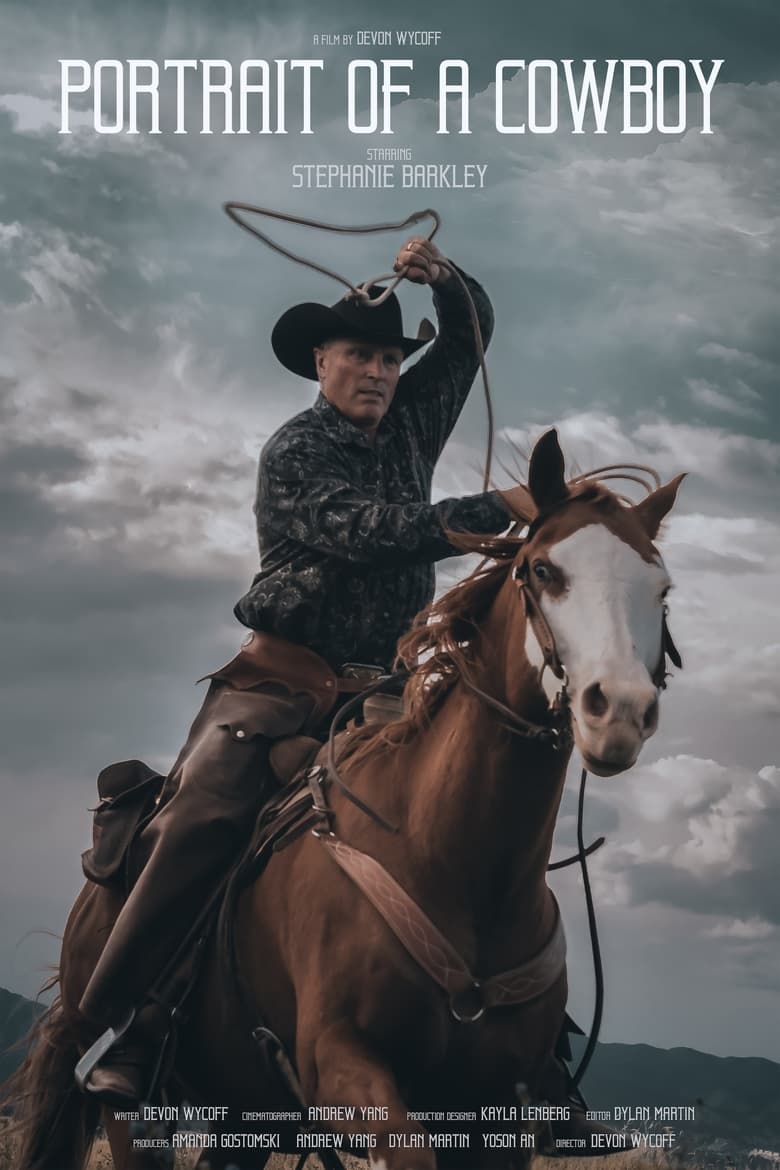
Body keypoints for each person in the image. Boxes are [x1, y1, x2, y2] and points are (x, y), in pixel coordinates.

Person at [78, 236, 512, 1106]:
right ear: (322, 359)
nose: (378, 371)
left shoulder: (412, 421)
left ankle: (530, 1051)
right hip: (277, 685)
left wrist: (450, 278)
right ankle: (134, 1022)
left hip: (389, 692)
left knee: (483, 815)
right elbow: (370, 530)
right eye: (359, 354)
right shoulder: (294, 451)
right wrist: (495, 510)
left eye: (391, 356)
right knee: (200, 816)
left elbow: (469, 344)